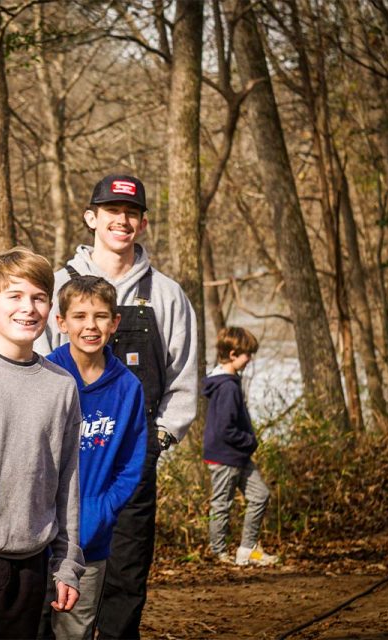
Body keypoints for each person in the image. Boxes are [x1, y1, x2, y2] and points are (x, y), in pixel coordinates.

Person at [34, 174, 198, 638]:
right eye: (111, 212)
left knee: (126, 579)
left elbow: (183, 375)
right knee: (57, 579)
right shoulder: (58, 286)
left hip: (130, 458)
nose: (121, 221)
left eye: (130, 213)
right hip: (60, 461)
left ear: (142, 224)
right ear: (92, 218)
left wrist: (160, 438)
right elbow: (37, 363)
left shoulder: (166, 294)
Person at [0, 247, 84, 639]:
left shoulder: (61, 385)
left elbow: (68, 482)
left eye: (39, 297)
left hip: (32, 563)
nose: (28, 308)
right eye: (15, 296)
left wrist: (67, 563)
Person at [45, 275, 148, 639]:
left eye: (101, 316)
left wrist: (102, 510)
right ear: (61, 322)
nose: (91, 326)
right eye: (80, 316)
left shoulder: (127, 388)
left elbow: (131, 463)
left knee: (75, 630)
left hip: (91, 542)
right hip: (37, 540)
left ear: (115, 322)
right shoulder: (45, 375)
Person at [204, 326, 278, 567]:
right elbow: (226, 429)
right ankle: (219, 552)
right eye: (247, 354)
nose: (250, 359)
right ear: (233, 354)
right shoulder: (226, 387)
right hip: (224, 457)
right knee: (221, 505)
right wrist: (250, 441)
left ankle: (247, 549)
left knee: (260, 495)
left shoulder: (231, 383)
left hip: (238, 456)